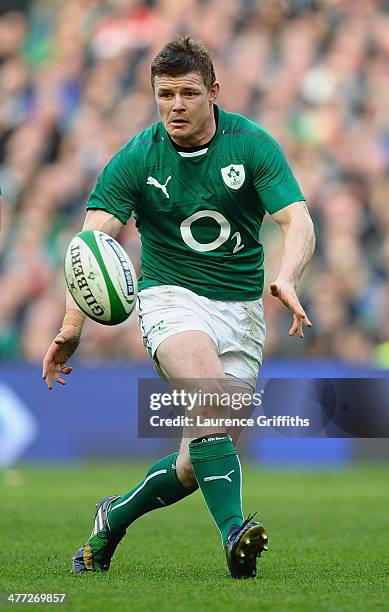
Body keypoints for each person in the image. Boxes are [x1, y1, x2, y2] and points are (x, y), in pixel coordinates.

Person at [42, 35, 315, 579]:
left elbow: (298, 220)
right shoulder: (137, 158)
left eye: (188, 93)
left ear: (214, 92)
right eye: (165, 94)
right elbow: (89, 245)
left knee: (194, 464)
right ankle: (236, 533)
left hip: (242, 312)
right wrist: (72, 325)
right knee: (209, 395)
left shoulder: (252, 144)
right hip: (170, 300)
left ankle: (112, 518)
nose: (176, 106)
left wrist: (286, 275)